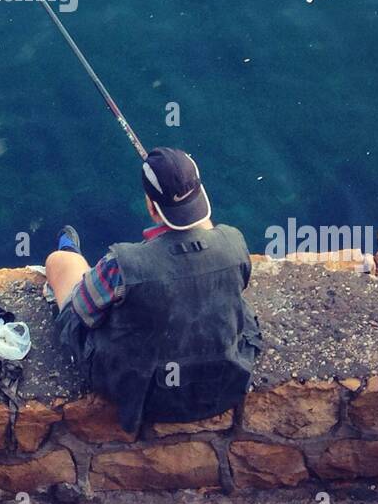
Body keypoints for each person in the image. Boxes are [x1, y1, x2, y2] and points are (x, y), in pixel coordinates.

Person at [45, 146, 262, 434]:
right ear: (202, 198)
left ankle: (69, 249)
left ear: (150, 207)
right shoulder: (234, 242)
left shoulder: (122, 263)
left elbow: (82, 312)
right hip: (222, 384)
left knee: (61, 264)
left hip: (146, 396)